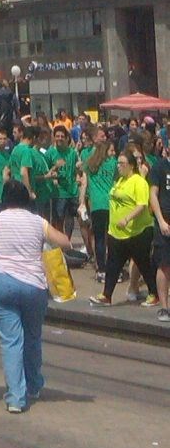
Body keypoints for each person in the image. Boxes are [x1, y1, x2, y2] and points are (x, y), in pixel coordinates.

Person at [0, 179, 71, 413]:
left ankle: (16, 398)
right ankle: (34, 385)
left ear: (4, 199)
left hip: (1, 284)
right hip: (33, 286)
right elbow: (65, 243)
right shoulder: (38, 221)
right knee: (32, 337)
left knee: (11, 341)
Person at [90, 150, 159, 307]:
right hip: (117, 233)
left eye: (122, 163)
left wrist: (127, 218)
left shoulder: (138, 182)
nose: (119, 166)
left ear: (131, 165)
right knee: (113, 264)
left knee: (144, 264)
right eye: (118, 163)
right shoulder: (119, 181)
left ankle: (154, 293)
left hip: (138, 232)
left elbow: (142, 204)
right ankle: (106, 295)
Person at [78, 126, 116, 280]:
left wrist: (82, 202)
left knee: (99, 238)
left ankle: (101, 268)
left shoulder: (89, 163)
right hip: (112, 203)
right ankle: (113, 267)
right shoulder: (112, 162)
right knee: (112, 238)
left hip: (96, 204)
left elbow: (83, 182)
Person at [148, 144, 170, 323]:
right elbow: (153, 194)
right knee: (164, 265)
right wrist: (161, 220)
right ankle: (164, 307)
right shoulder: (160, 166)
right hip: (165, 223)